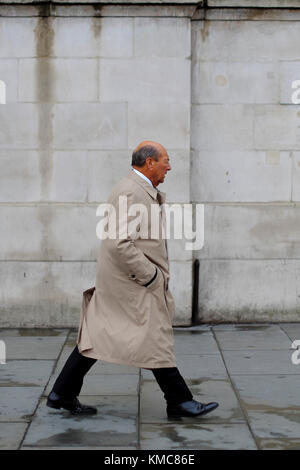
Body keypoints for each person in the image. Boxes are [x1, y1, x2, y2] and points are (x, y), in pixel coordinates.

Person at [47, 140, 219, 418]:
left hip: (127, 283)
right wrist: (150, 276)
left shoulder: (139, 189)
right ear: (149, 163)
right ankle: (179, 400)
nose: (170, 166)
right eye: (165, 160)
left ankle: (62, 392)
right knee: (155, 336)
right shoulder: (130, 192)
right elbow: (118, 242)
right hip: (134, 284)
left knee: (99, 335)